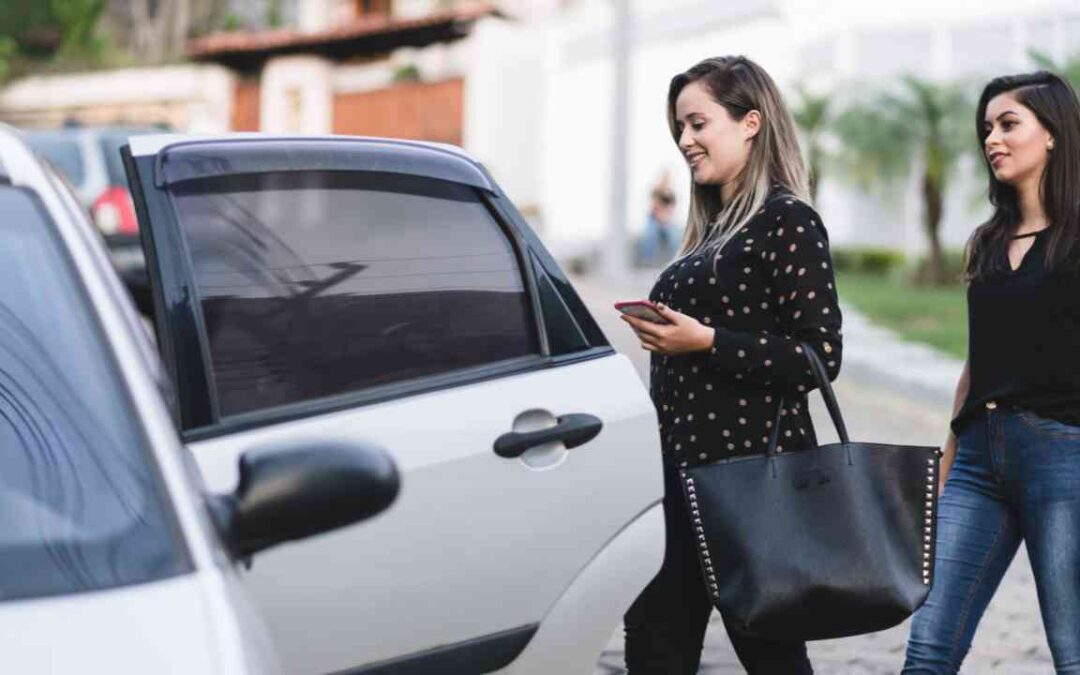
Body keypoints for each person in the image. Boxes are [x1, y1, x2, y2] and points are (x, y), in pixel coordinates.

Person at [618, 55, 842, 675]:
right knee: (654, 649)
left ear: (750, 121)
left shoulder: (787, 221)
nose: (686, 141)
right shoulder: (711, 232)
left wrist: (706, 342)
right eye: (679, 130)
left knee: (772, 658)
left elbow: (820, 356)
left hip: (751, 487)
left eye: (697, 123)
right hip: (676, 480)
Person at [903, 71, 1080, 674]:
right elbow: (980, 360)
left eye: (1009, 124)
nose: (993, 139)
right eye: (987, 128)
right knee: (929, 648)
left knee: (1073, 651)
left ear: (1053, 134)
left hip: (1063, 459)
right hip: (978, 460)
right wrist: (949, 459)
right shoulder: (986, 241)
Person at [636, 182, 679, 266]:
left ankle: (676, 259)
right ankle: (649, 260)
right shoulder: (655, 194)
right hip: (655, 221)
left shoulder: (671, 197)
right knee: (651, 234)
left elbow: (670, 211)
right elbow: (654, 211)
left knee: (675, 236)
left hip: (666, 222)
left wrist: (665, 219)